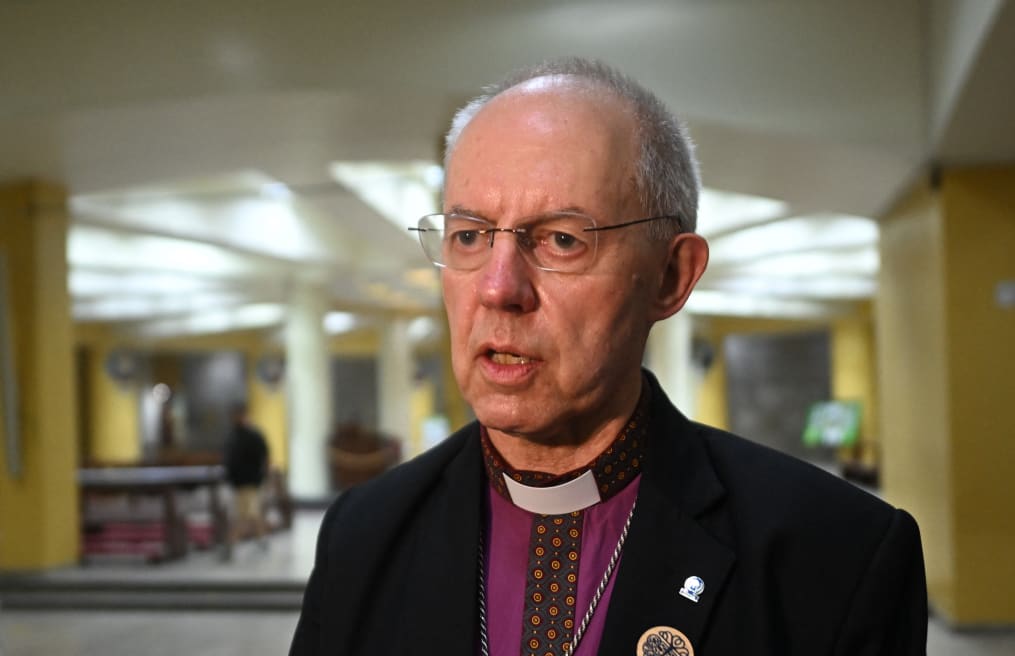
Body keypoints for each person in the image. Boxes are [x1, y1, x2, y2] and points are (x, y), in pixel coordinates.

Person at [290, 58, 926, 655]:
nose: (498, 288)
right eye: (469, 236)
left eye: (563, 239)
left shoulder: (837, 555)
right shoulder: (362, 536)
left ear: (671, 277)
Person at [223, 401, 270, 549]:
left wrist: (264, 477)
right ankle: (261, 539)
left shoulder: (254, 436)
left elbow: (265, 457)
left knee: (246, 514)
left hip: (251, 481)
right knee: (247, 514)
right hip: (237, 482)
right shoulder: (233, 435)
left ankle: (231, 544)